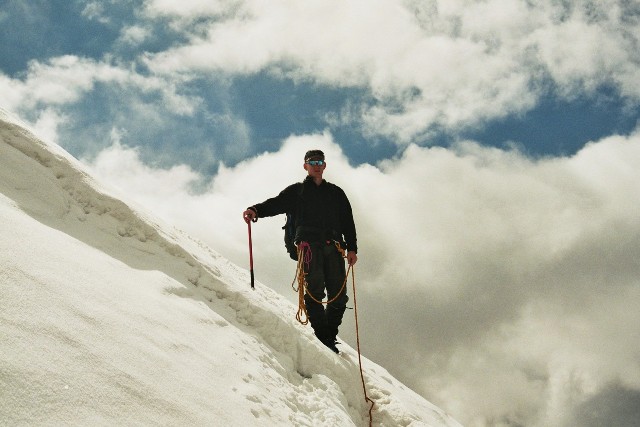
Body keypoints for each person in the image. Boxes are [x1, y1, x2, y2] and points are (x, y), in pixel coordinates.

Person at [243, 149, 358, 353]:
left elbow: (348, 221)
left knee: (339, 296)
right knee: (314, 292)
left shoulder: (336, 193)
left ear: (324, 165)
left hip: (334, 246)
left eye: (319, 161)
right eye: (312, 161)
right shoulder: (296, 191)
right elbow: (276, 204)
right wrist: (256, 210)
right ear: (305, 166)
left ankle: (328, 335)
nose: (316, 164)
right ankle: (324, 337)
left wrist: (352, 248)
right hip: (309, 247)